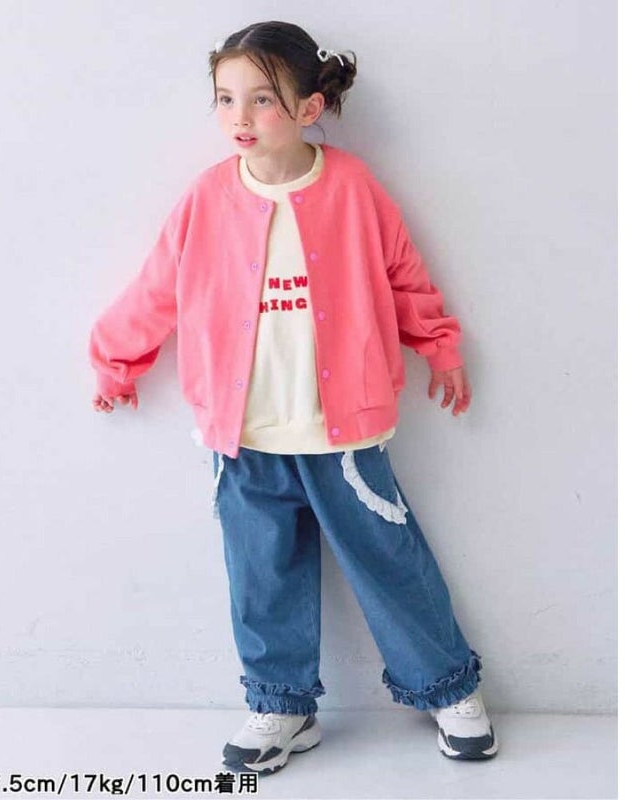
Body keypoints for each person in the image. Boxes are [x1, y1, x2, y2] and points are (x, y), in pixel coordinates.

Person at [89, 20, 499, 776]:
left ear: (311, 108)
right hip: (243, 432)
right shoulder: (207, 198)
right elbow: (158, 288)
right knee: (261, 573)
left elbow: (404, 276)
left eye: (262, 99)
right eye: (225, 98)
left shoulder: (352, 188)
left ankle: (450, 687)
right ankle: (281, 705)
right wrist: (117, 359)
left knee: (388, 561)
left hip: (343, 432)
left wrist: (439, 344)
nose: (239, 117)